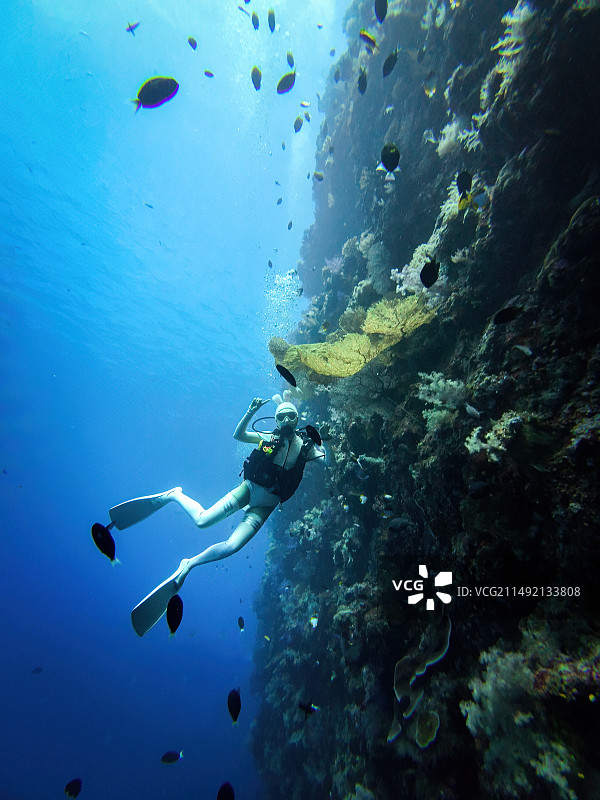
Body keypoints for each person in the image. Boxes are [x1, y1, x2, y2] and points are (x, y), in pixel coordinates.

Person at [94, 393, 325, 636]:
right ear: (276, 420)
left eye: (291, 415)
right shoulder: (268, 438)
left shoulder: (306, 448)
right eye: (282, 416)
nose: (287, 420)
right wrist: (249, 412)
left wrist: (325, 440)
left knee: (232, 546)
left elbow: (327, 461)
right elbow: (239, 435)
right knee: (202, 520)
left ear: (297, 418)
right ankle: (173, 494)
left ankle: (188, 565)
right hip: (248, 491)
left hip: (263, 508)